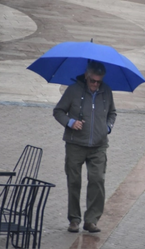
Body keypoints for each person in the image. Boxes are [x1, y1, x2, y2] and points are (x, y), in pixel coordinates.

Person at [53, 61, 117, 233]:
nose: (96, 85)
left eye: (99, 82)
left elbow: (112, 113)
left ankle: (91, 220)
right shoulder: (73, 90)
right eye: (93, 81)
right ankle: (74, 219)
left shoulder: (107, 91)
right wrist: (70, 122)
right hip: (75, 144)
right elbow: (58, 111)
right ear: (87, 76)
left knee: (97, 180)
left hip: (99, 145)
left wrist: (108, 127)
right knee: (74, 182)